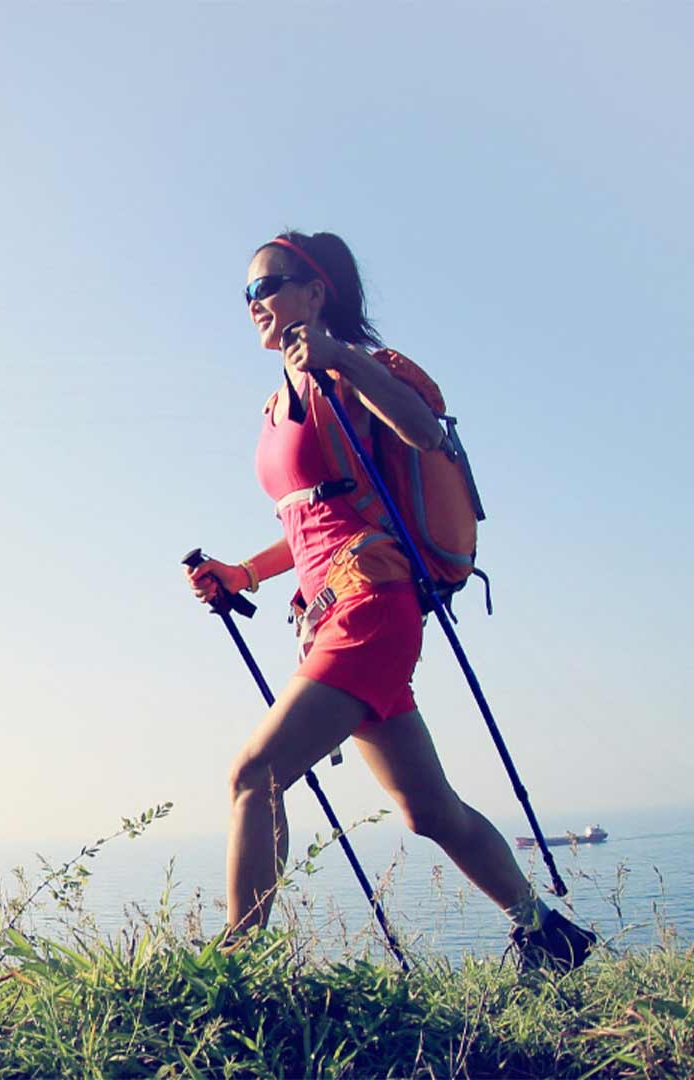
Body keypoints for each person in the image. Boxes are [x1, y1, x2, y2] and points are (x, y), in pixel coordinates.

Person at [185, 230, 594, 971]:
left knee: (256, 774)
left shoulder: (348, 373)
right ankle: (547, 933)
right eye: (247, 292)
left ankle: (233, 966)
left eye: (269, 285)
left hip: (371, 607)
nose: (255, 303)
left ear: (317, 292)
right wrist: (242, 573)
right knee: (427, 810)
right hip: (330, 611)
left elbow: (425, 430)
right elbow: (311, 522)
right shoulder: (277, 403)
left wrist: (341, 358)